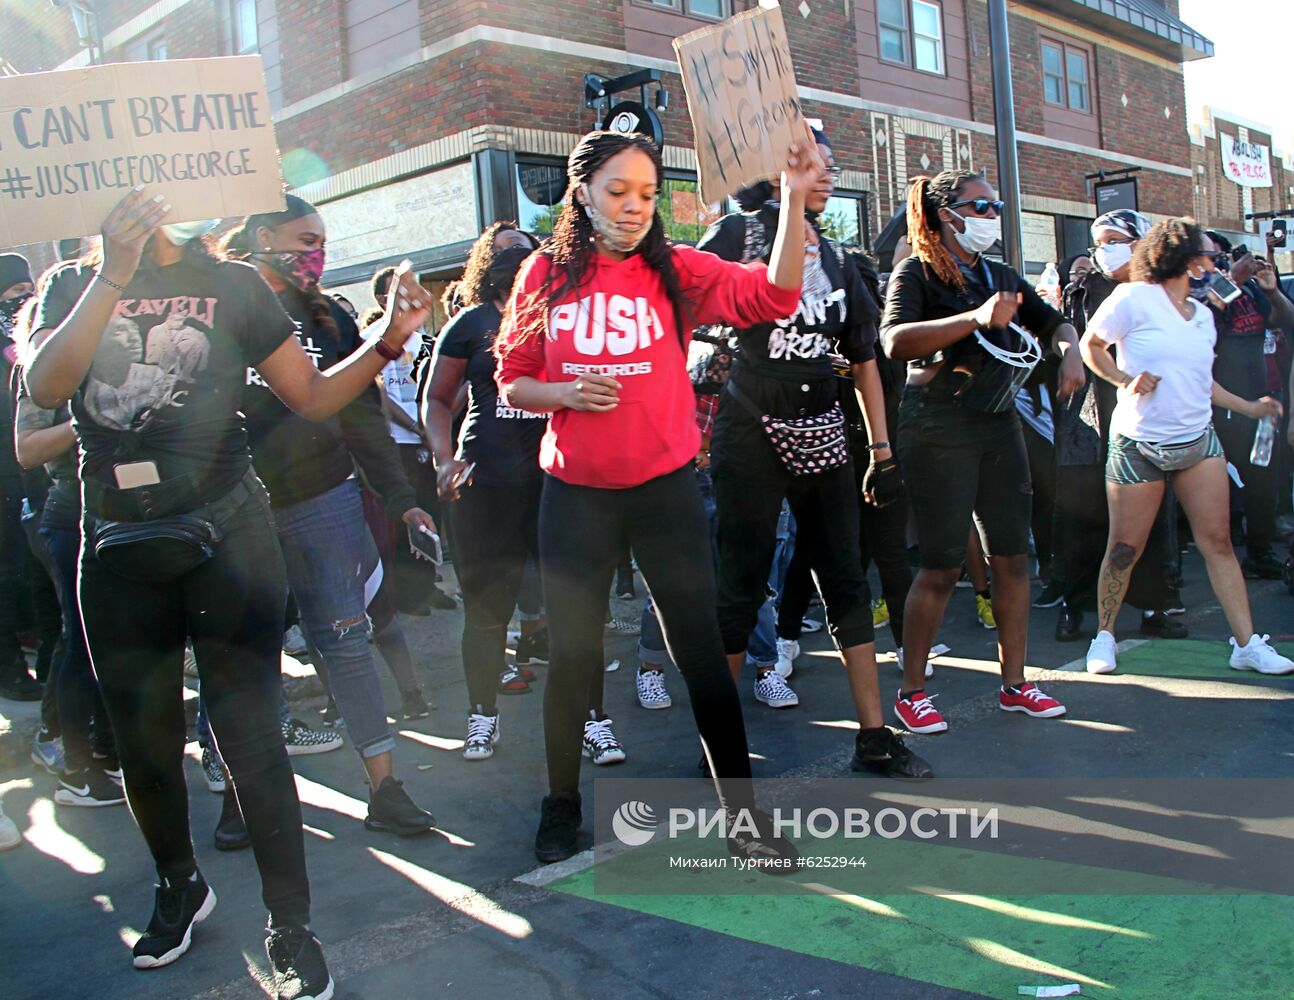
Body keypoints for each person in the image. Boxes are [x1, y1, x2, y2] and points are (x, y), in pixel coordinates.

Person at [24, 188, 428, 994]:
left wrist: (388, 340)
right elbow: (46, 385)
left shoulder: (235, 283)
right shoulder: (73, 283)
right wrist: (113, 273)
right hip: (116, 541)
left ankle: (291, 925)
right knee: (144, 746)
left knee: (252, 739)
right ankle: (178, 886)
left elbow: (310, 396)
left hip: (228, 533)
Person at [495, 128, 821, 866]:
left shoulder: (675, 267)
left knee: (700, 650)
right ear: (582, 193)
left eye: (646, 193)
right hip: (575, 494)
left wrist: (794, 199)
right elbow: (512, 380)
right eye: (617, 191)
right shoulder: (543, 273)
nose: (634, 206)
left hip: (664, 490)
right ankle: (560, 806)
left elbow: (774, 294)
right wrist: (564, 393)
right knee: (573, 657)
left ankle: (742, 817)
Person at [699, 127, 932, 779]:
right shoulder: (738, 235)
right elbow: (684, 305)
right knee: (741, 583)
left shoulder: (836, 257)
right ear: (777, 171)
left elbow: (863, 358)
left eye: (831, 163)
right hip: (749, 427)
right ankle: (720, 747)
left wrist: (881, 451)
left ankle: (875, 736)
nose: (826, 173)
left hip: (824, 426)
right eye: (810, 162)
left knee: (846, 578)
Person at [223, 195, 437, 837]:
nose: (316, 254)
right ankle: (239, 794)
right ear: (263, 237)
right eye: (305, 240)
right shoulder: (218, 308)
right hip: (236, 506)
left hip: (323, 501)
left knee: (345, 641)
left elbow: (363, 418)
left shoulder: (329, 318)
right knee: (240, 653)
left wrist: (401, 500)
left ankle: (386, 789)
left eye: (322, 242)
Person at [881, 170, 1086, 734]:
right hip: (937, 424)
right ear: (945, 214)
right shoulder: (917, 271)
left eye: (995, 206)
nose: (992, 215)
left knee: (1012, 558)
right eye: (980, 206)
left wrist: (1069, 350)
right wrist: (972, 318)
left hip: (996, 422)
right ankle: (911, 692)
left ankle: (1016, 684)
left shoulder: (999, 274)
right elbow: (894, 340)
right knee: (942, 564)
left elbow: (1054, 323)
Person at [1079, 218, 1293, 676]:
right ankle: (1105, 636)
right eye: (1208, 255)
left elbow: (1203, 383)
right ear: (1185, 258)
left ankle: (1246, 645)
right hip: (1138, 444)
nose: (1214, 263)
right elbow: (1091, 345)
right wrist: (1124, 379)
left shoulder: (1201, 315)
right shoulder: (1132, 298)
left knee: (1218, 542)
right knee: (1124, 547)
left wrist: (1250, 407)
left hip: (1198, 440)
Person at [423, 222, 553, 760]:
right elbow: (437, 398)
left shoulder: (564, 317)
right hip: (486, 485)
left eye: (527, 253)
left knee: (574, 610)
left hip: (554, 482)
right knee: (485, 612)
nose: (517, 261)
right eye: (506, 255)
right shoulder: (470, 323)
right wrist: (444, 458)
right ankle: (482, 717)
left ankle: (592, 719)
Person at [1052, 210, 1185, 643]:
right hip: (1090, 417)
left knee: (1150, 516)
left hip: (1145, 416)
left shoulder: (1159, 293)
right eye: (1100, 242)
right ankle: (1074, 606)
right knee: (1082, 515)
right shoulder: (1082, 290)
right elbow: (1072, 342)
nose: (1105, 250)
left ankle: (1154, 604)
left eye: (1115, 240)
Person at [1201, 233, 1294, 580]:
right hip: (1221, 405)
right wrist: (1233, 280)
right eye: (1211, 256)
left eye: (1221, 256)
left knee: (1263, 481)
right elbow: (1203, 319)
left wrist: (1271, 291)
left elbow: (1286, 321)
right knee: (1215, 485)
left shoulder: (1250, 290)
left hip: (1261, 402)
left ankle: (1259, 553)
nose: (1218, 262)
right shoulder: (1197, 292)